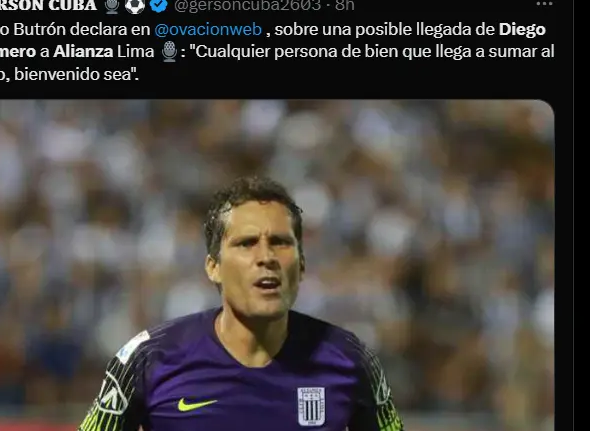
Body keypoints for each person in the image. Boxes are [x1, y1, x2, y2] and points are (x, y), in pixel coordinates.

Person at [78, 176, 405, 431]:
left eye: (280, 242)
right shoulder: (148, 360)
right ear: (213, 267)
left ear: (302, 265)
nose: (266, 257)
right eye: (247, 243)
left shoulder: (350, 359)